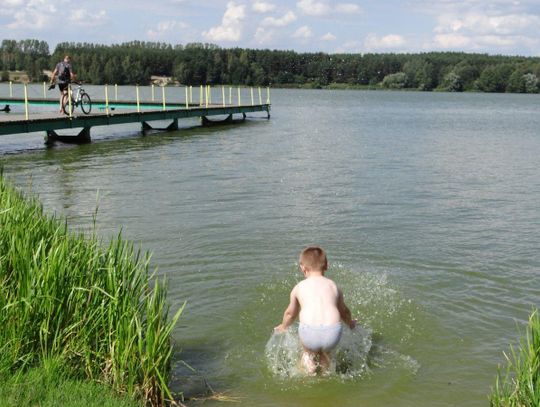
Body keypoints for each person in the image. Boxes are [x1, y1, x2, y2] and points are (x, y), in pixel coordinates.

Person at [274, 246, 356, 375]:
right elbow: (344, 311)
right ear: (327, 265)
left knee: (307, 354)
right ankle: (325, 371)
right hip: (332, 331)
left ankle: (309, 370)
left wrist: (284, 326)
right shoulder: (333, 286)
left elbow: (290, 313)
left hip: (309, 332)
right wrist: (350, 323)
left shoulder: (299, 287)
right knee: (326, 356)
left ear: (303, 268)